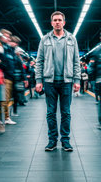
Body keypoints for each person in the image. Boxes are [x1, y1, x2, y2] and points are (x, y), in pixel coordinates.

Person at [35, 11, 80, 152]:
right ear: (51, 23)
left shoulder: (72, 39)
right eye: (55, 20)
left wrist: (77, 79)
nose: (57, 22)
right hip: (50, 81)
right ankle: (52, 141)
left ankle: (65, 141)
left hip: (67, 81)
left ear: (64, 22)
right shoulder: (45, 39)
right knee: (51, 113)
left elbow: (76, 61)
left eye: (60, 20)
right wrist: (38, 80)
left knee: (66, 112)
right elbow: (39, 61)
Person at [0, 29, 17, 125]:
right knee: (4, 99)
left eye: (9, 37)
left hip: (9, 76)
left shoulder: (8, 49)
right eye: (6, 36)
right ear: (1, 36)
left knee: (7, 98)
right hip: (3, 76)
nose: (8, 38)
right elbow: (2, 63)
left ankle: (4, 117)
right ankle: (5, 118)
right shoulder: (0, 48)